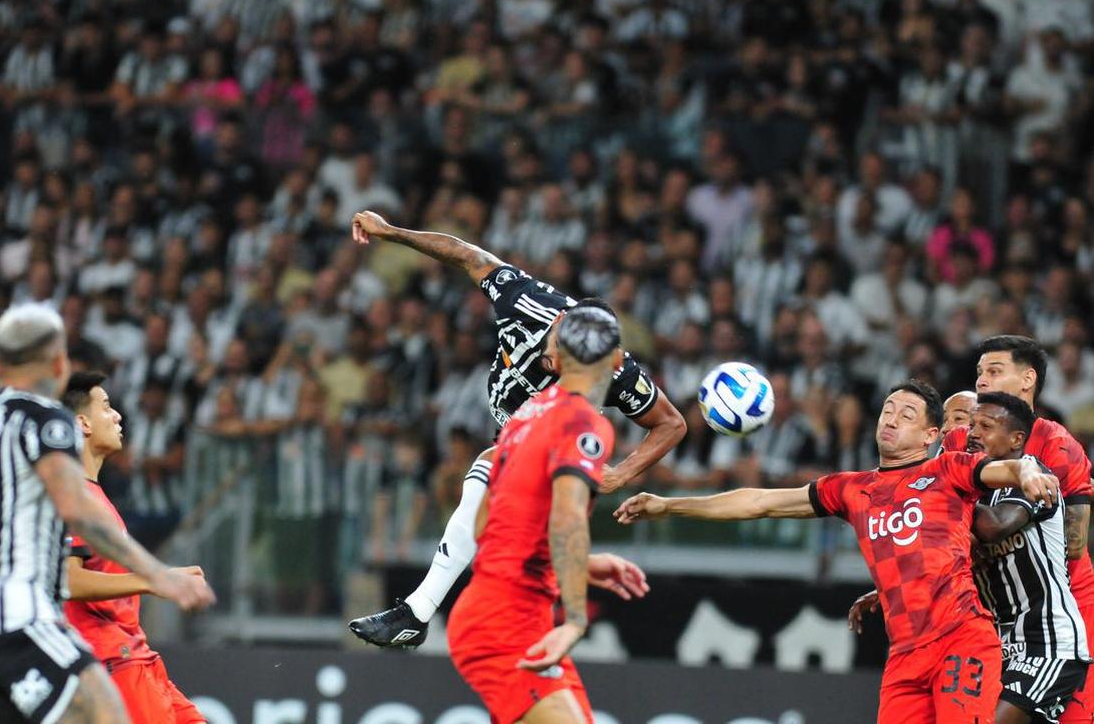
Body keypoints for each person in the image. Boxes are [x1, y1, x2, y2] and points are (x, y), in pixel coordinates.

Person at [616, 380, 1062, 724]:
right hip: (904, 656)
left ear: (930, 433)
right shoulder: (852, 490)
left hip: (960, 639)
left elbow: (1001, 468)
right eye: (888, 410)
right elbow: (760, 502)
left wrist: (1025, 473)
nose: (891, 419)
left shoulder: (947, 469)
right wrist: (668, 504)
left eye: (906, 414)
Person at [348, 210, 685, 648]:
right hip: (516, 427)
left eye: (559, 351)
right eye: (554, 335)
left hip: (538, 440)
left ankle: (434, 609)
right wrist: (391, 232)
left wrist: (621, 474)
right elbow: (465, 253)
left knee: (492, 472)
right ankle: (458, 609)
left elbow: (671, 423)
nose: (549, 350)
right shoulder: (529, 304)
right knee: (491, 497)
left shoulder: (608, 386)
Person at [0, 303, 214, 723]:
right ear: (60, 359)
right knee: (106, 713)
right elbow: (76, 513)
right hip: (32, 625)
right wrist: (157, 576)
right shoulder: (45, 420)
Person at [448, 305, 650, 723]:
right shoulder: (583, 424)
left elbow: (487, 524)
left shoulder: (524, 417)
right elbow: (567, 517)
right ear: (617, 359)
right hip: (505, 624)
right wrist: (576, 620)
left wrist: (581, 563)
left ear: (556, 360)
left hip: (501, 611)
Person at [947, 335, 1094, 724]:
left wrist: (978, 538)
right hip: (998, 615)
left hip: (1064, 609)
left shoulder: (1056, 446)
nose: (980, 381)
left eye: (994, 371)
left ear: (1027, 379)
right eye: (979, 372)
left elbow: (1074, 547)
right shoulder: (961, 442)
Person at [60, 371, 208, 724]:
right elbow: (69, 581)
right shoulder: (72, 496)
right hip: (111, 662)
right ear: (82, 423)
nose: (118, 416)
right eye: (107, 407)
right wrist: (155, 579)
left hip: (136, 657)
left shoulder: (93, 494)